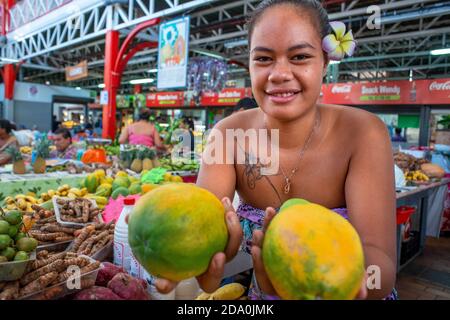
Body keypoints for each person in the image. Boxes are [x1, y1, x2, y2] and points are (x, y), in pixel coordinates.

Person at [151, 0, 397, 300]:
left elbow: (379, 261)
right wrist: (201, 253)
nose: (279, 73)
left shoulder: (363, 132)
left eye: (300, 56)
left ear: (325, 62)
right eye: (264, 58)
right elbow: (201, 221)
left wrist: (346, 287)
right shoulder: (227, 135)